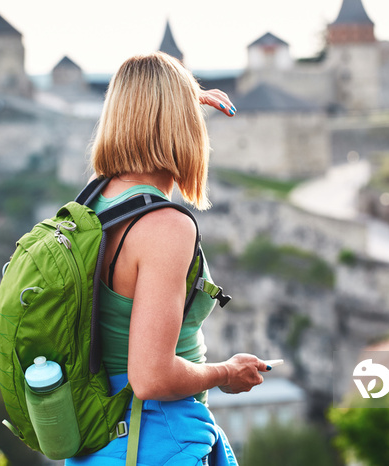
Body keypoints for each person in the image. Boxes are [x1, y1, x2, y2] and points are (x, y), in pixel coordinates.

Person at [66, 52, 270, 466]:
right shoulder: (165, 227)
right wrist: (226, 373)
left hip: (98, 440)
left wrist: (184, 97)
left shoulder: (94, 197)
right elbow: (151, 377)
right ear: (183, 126)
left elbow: (140, 113)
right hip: (156, 441)